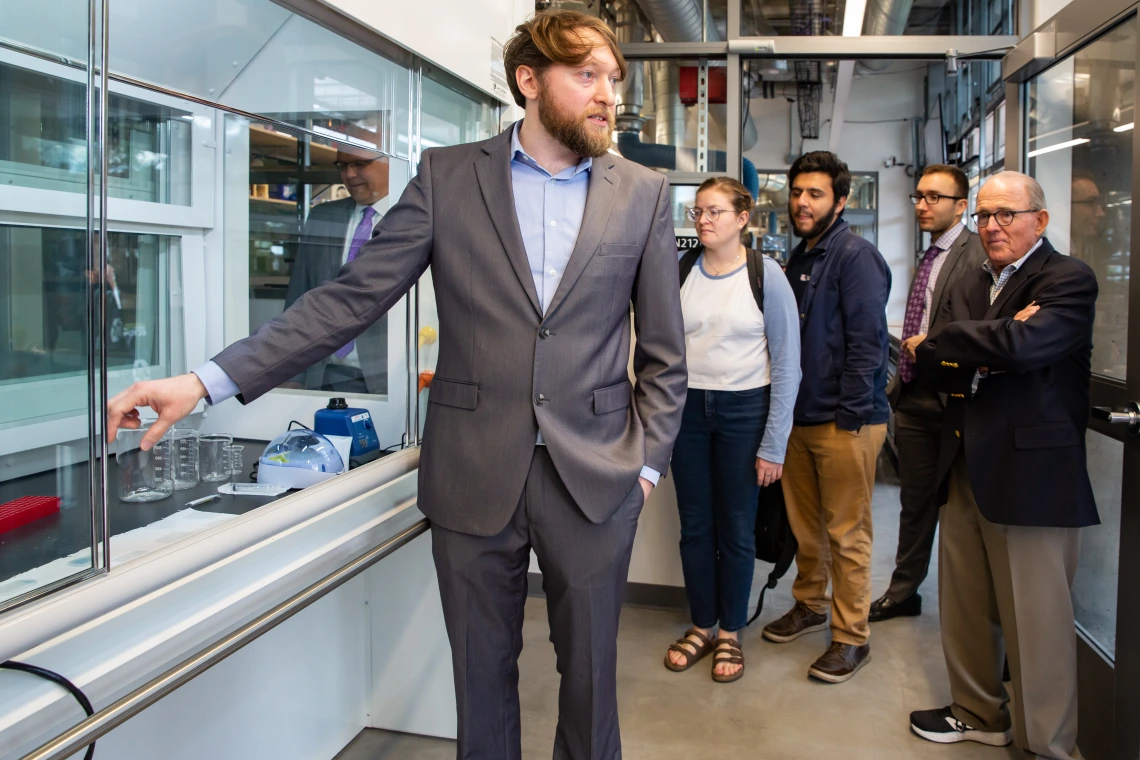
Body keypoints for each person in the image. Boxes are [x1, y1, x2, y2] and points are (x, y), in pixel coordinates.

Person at [104, 11, 687, 760]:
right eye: (588, 75)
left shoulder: (640, 191)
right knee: (480, 681)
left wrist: (644, 467)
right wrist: (206, 381)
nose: (608, 93)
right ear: (529, 81)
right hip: (474, 468)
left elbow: (666, 356)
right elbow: (349, 299)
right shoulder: (448, 177)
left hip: (599, 472)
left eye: (614, 78)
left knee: (590, 684)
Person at [910, 171, 1098, 759]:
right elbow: (940, 362)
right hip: (965, 460)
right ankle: (977, 712)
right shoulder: (970, 282)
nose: (993, 226)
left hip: (1031, 476)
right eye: (985, 216)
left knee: (1037, 624)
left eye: (1006, 215)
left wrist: (961, 343)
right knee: (964, 603)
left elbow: (1025, 348)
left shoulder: (1068, 278)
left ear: (1039, 220)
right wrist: (987, 340)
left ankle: (1049, 745)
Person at [760, 151, 891, 685]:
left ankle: (851, 636)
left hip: (844, 421)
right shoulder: (799, 257)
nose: (802, 202)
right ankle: (811, 605)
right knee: (807, 530)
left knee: (847, 532)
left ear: (842, 201)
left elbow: (868, 344)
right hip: (799, 418)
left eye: (815, 194)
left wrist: (851, 418)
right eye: (797, 192)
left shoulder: (855, 256)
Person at [663, 177, 801, 683]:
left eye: (715, 211)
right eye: (698, 210)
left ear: (743, 218)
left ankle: (730, 634)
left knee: (737, 529)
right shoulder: (680, 272)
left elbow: (788, 366)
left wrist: (774, 444)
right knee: (696, 525)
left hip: (746, 411)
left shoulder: (767, 276)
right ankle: (702, 625)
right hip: (688, 413)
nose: (703, 219)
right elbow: (661, 349)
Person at [870, 164, 985, 622]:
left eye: (934, 197)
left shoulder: (978, 252)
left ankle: (977, 614)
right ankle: (904, 593)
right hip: (916, 396)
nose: (922, 204)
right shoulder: (932, 253)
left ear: (962, 206)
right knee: (914, 503)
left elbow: (976, 324)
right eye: (919, 196)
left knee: (966, 510)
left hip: (957, 399)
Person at [281, 144, 391, 393]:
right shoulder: (323, 217)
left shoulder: (413, 218)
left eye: (360, 164)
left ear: (390, 162)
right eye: (342, 166)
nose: (349, 175)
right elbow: (300, 298)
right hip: (324, 375)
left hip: (388, 380)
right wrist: (293, 373)